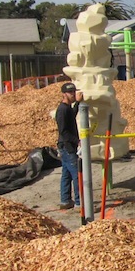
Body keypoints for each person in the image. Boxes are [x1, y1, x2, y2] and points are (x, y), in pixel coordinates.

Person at [56, 81, 83, 210]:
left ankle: (65, 200)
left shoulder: (67, 109)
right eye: (70, 92)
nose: (73, 94)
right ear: (64, 94)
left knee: (66, 174)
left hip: (67, 146)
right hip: (67, 146)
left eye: (74, 91)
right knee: (77, 174)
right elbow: (63, 131)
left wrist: (77, 103)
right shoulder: (62, 110)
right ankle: (79, 202)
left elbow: (72, 115)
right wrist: (76, 141)